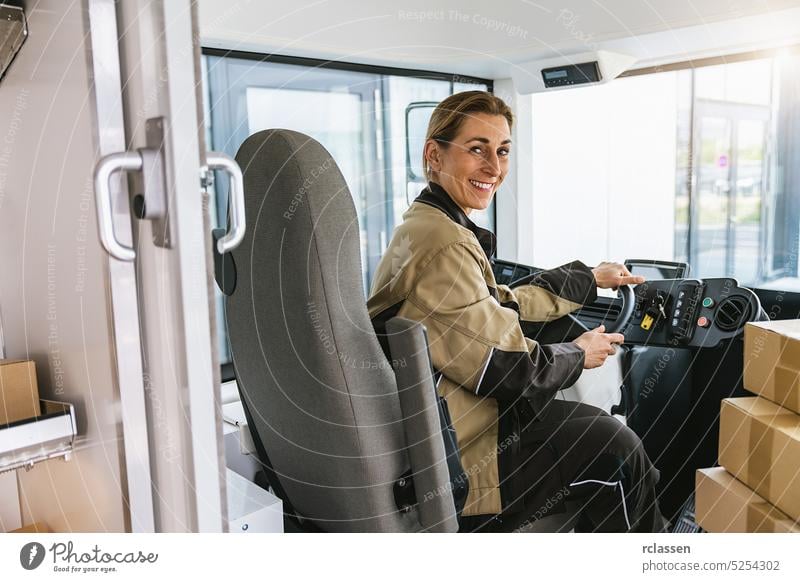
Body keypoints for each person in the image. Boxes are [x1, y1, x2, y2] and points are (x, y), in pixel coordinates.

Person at [367, 90, 668, 532]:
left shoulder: (427, 226)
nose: (494, 167)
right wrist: (579, 352)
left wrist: (587, 278)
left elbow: (498, 304)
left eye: (502, 151)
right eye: (477, 150)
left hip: (446, 429)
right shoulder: (446, 244)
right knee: (617, 446)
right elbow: (508, 367)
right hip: (468, 456)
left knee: (599, 431)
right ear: (435, 154)